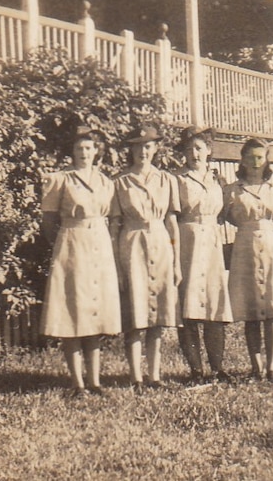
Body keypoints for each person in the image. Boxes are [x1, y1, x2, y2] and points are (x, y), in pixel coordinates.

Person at [39, 126, 121, 397]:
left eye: (89, 148)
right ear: (72, 152)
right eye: (79, 149)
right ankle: (77, 383)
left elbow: (111, 218)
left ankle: (95, 382)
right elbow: (49, 223)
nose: (84, 153)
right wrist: (66, 244)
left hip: (100, 246)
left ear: (97, 151)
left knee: (95, 312)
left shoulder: (106, 182)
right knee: (73, 312)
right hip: (72, 246)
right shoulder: (60, 179)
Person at [110, 124, 182, 392]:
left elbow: (172, 223)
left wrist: (175, 261)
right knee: (135, 313)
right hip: (132, 243)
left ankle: (154, 376)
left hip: (161, 241)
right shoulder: (120, 181)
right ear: (131, 149)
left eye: (148, 146)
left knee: (158, 316)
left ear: (155, 148)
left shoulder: (167, 180)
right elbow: (114, 226)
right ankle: (135, 377)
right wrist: (117, 266)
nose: (143, 151)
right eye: (138, 146)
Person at [223, 138, 273, 382]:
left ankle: (272, 367)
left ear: (266, 160)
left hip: (270, 245)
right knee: (250, 310)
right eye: (249, 157)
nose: (254, 162)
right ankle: (256, 366)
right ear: (241, 159)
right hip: (244, 246)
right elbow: (226, 217)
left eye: (259, 157)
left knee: (272, 309)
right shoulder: (231, 191)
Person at [173, 126, 233, 384]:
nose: (193, 153)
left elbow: (227, 213)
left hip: (212, 243)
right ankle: (196, 370)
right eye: (188, 149)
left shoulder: (219, 181)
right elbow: (172, 217)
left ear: (209, 150)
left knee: (213, 305)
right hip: (187, 241)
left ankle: (217, 367)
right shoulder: (177, 180)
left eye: (198, 148)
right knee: (189, 307)